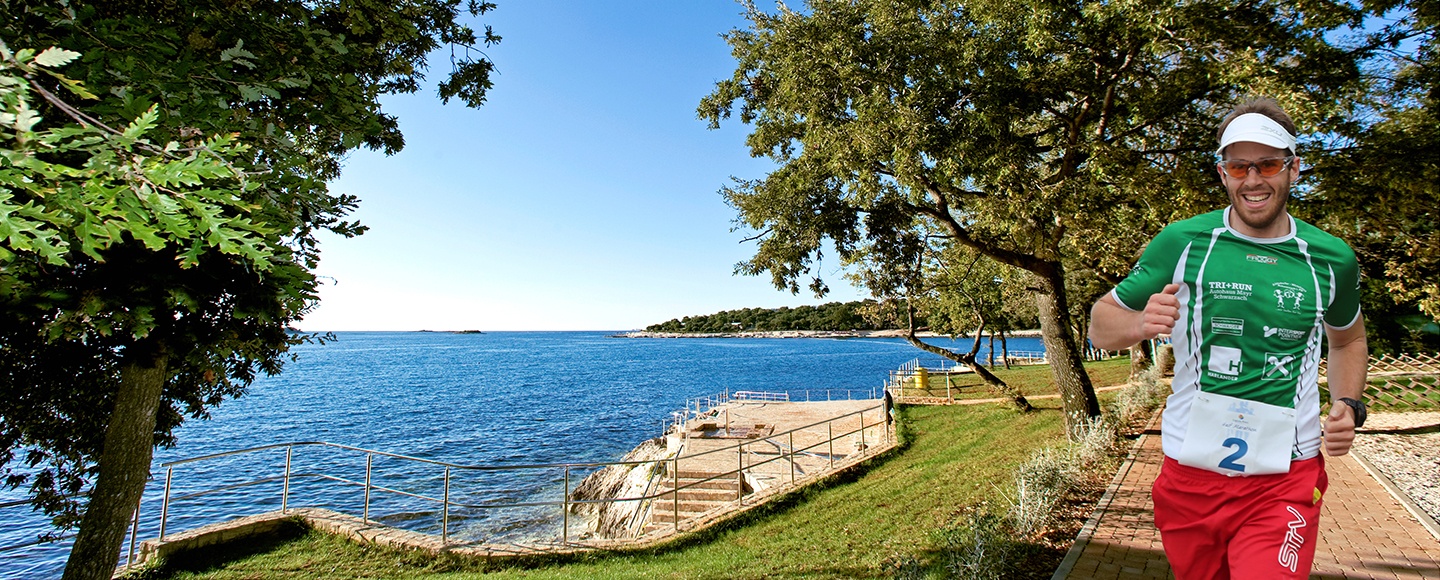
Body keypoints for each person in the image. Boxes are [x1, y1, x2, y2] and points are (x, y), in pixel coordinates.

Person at [1088, 96, 1369, 580]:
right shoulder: (1182, 242)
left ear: (1293, 168)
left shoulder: (1331, 259)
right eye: (1240, 167)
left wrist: (1348, 402)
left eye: (1268, 164)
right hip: (1190, 476)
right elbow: (1100, 322)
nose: (1253, 180)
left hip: (1285, 476)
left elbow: (1347, 341)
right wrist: (1138, 325)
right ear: (1223, 174)